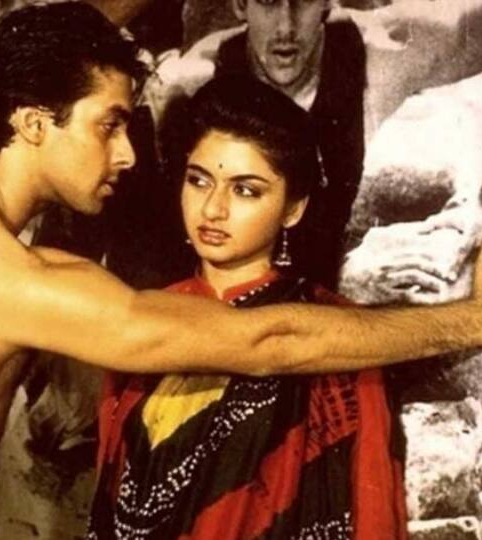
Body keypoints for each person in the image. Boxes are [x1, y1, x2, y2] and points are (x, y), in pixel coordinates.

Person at [0, 3, 482, 539]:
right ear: (34, 123)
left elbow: (20, 61)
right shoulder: (6, 276)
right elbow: (267, 340)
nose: (128, 153)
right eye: (108, 124)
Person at [88, 75, 406, 540]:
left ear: (293, 208)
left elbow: (372, 512)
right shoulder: (147, 315)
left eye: (246, 190)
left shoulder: (333, 333)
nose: (213, 209)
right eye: (199, 181)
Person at [146, 0, 482, 290]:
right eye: (268, 1)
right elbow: (183, 258)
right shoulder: (191, 87)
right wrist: (344, 281)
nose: (286, 27)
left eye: (303, 1)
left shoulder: (381, 56)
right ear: (239, 5)